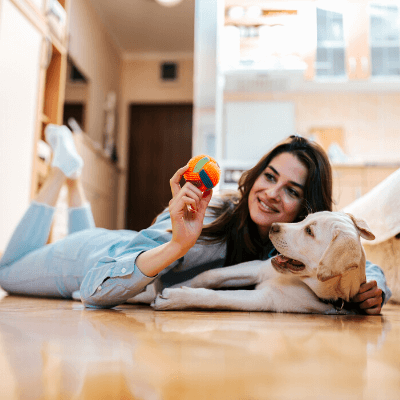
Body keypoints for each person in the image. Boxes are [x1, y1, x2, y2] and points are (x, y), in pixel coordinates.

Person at [0, 126, 391, 312]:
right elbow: (95, 284)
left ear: (308, 211)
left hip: (108, 248)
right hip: (91, 260)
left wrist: (376, 290)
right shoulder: (210, 216)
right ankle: (59, 173)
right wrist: (178, 244)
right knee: (5, 272)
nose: (272, 192)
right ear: (255, 177)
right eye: (270, 177)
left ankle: (72, 177)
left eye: (292, 190)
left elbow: (361, 261)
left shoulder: (294, 248)